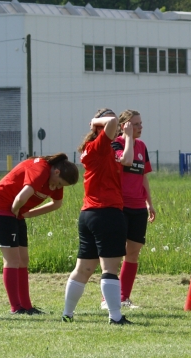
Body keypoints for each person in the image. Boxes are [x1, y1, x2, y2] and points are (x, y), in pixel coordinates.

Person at [62, 108, 134, 325]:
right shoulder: (100, 144)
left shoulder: (93, 147)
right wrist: (96, 121)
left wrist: (128, 137)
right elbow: (111, 121)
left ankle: (67, 314)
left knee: (83, 269)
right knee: (110, 269)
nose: (117, 125)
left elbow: (127, 160)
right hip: (107, 212)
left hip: (89, 214)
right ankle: (115, 317)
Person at [0, 153, 79, 314]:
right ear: (56, 172)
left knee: (23, 259)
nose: (58, 187)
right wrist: (15, 211)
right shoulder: (41, 170)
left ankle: (27, 306)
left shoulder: (55, 180)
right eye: (59, 183)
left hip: (16, 212)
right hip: (2, 207)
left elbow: (57, 204)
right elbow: (20, 198)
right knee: (12, 260)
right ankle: (16, 308)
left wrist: (28, 214)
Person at [98, 109, 156, 310]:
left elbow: (143, 176)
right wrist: (128, 137)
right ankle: (107, 299)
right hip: (119, 206)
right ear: (124, 126)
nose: (140, 127)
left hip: (138, 207)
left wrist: (149, 203)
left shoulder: (142, 146)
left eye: (140, 123)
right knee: (115, 252)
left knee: (133, 253)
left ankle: (123, 297)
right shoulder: (115, 144)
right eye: (135, 124)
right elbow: (126, 160)